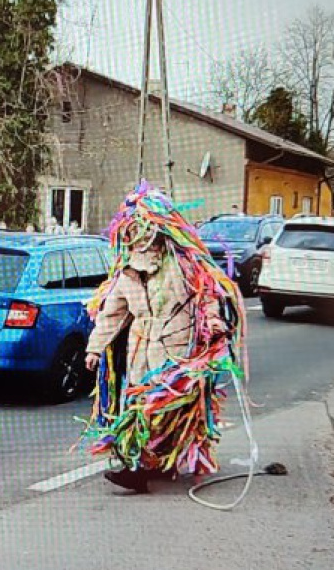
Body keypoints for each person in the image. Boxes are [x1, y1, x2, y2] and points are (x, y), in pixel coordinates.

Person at [80, 180, 245, 493]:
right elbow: (112, 314)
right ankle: (145, 466)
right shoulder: (126, 273)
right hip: (140, 352)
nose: (137, 241)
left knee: (162, 409)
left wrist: (213, 323)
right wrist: (94, 349)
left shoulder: (182, 265)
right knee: (140, 408)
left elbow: (206, 296)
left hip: (177, 351)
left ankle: (141, 470)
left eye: (141, 233)